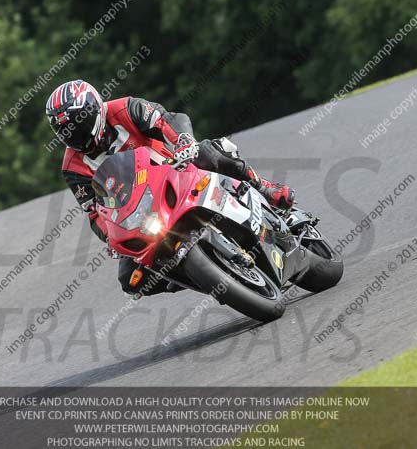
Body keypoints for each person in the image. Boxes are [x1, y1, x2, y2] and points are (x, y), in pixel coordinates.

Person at [46, 79, 295, 296]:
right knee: (130, 279)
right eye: (65, 131)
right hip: (140, 213)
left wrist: (183, 141)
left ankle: (264, 188)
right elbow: (95, 214)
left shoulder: (125, 108)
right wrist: (111, 236)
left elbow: (168, 120)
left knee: (209, 152)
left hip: (177, 170)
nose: (74, 135)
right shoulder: (72, 167)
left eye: (78, 125)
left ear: (94, 110)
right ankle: (199, 275)